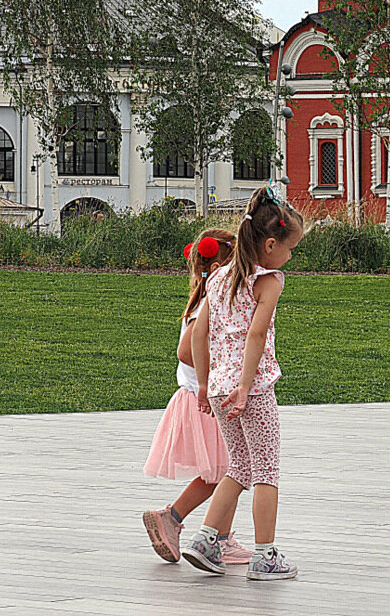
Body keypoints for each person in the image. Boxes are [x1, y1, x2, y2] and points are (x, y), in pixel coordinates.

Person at [182, 185, 305, 580]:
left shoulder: (217, 279)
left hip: (217, 386)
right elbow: (256, 334)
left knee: (239, 465)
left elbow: (198, 335)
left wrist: (204, 386)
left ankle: (206, 541)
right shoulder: (269, 281)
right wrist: (247, 385)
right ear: (270, 245)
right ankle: (265, 555)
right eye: (290, 249)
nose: (290, 257)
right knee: (266, 470)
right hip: (251, 389)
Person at [142, 229, 254, 564]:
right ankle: (172, 518)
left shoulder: (208, 297)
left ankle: (222, 537)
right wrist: (223, 364)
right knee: (226, 471)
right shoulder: (210, 300)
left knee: (229, 468)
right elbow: (186, 350)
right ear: (220, 266)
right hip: (204, 399)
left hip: (202, 396)